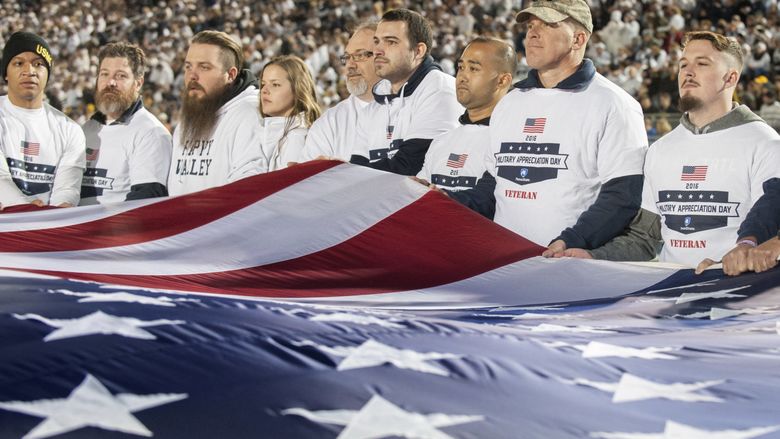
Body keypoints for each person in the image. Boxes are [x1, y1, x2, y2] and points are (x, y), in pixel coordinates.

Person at [564, 31, 780, 272]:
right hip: (669, 296)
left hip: (738, 297)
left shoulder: (765, 144)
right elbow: (643, 239)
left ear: (730, 78)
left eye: (702, 64)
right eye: (683, 64)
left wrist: (746, 250)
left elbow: (769, 226)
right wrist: (593, 256)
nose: (688, 72)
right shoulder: (660, 150)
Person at [489, 0, 647, 254]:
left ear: (578, 39)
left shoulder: (615, 104)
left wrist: (572, 240)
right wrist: (442, 199)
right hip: (503, 263)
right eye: (530, 25)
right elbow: (492, 182)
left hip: (566, 265)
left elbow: (622, 196)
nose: (532, 33)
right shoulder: (510, 102)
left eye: (548, 24)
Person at [349, 8, 463, 176]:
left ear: (418, 51)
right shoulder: (374, 106)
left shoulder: (441, 90)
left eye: (391, 42)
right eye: (377, 41)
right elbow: (357, 167)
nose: (378, 50)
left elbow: (410, 167)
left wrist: (341, 170)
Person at [415, 36, 515, 219]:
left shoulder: (511, 141)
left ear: (502, 81)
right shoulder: (441, 141)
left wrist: (445, 197)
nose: (462, 76)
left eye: (474, 68)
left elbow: (490, 200)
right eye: (461, 67)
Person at [167, 30, 264, 196]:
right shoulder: (191, 116)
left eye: (204, 67)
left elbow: (247, 192)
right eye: (188, 66)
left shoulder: (250, 113)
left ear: (230, 75)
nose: (192, 76)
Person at [0, 31, 85, 209]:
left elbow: (67, 190)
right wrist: (29, 210)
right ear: (5, 73)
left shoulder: (70, 130)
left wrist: (49, 218)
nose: (29, 71)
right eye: (18, 63)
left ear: (48, 75)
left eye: (38, 64)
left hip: (47, 231)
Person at [80, 42, 172, 205]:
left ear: (138, 83)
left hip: (113, 229)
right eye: (104, 74)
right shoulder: (86, 129)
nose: (111, 83)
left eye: (121, 76)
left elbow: (144, 202)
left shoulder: (151, 133)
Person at [300, 22, 380, 162]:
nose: (350, 65)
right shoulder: (328, 124)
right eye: (347, 57)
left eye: (359, 55)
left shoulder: (414, 108)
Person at [258, 55, 320, 171]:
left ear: (297, 90)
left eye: (275, 84)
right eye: (263, 84)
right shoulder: (275, 132)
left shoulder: (297, 139)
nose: (264, 90)